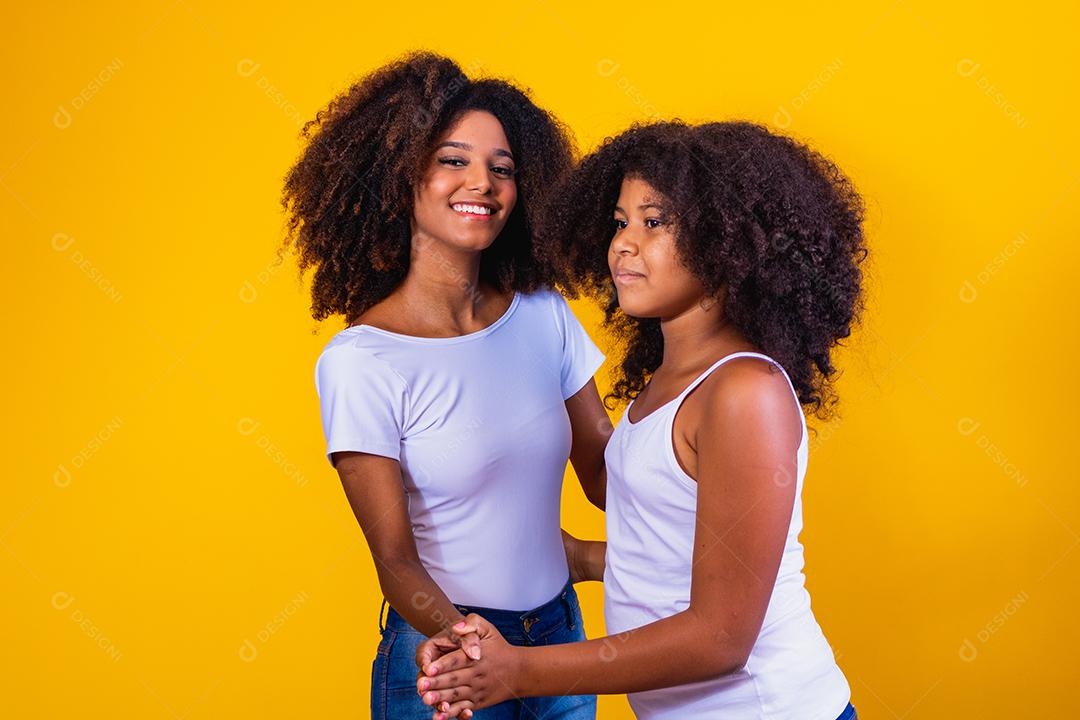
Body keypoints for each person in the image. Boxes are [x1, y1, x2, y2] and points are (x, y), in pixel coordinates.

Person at [415, 120, 867, 720]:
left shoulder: (742, 392)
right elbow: (652, 521)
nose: (624, 243)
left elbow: (720, 638)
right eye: (621, 222)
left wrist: (519, 671)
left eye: (654, 223)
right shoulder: (670, 382)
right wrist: (576, 559)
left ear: (728, 243)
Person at [282, 51, 610, 720]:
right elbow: (396, 561)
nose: (482, 183)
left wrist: (706, 439)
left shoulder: (545, 313)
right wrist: (472, 645)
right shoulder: (363, 360)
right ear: (401, 178)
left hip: (557, 642)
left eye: (503, 168)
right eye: (453, 160)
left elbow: (607, 474)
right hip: (443, 653)